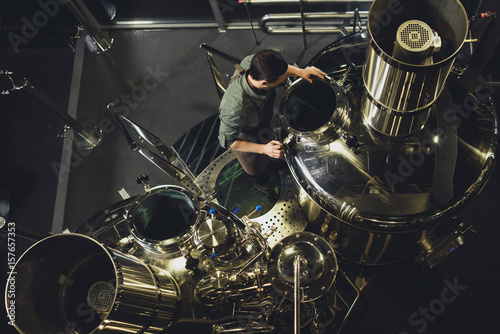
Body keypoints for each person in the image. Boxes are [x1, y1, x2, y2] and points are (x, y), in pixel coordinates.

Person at [218, 49, 326, 192]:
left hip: (261, 121)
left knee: (268, 144)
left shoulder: (255, 62)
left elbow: (285, 69)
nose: (284, 80)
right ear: (264, 83)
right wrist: (263, 149)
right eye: (281, 81)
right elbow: (227, 142)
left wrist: (299, 71)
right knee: (254, 165)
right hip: (245, 135)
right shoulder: (233, 109)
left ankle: (270, 161)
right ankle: (257, 180)